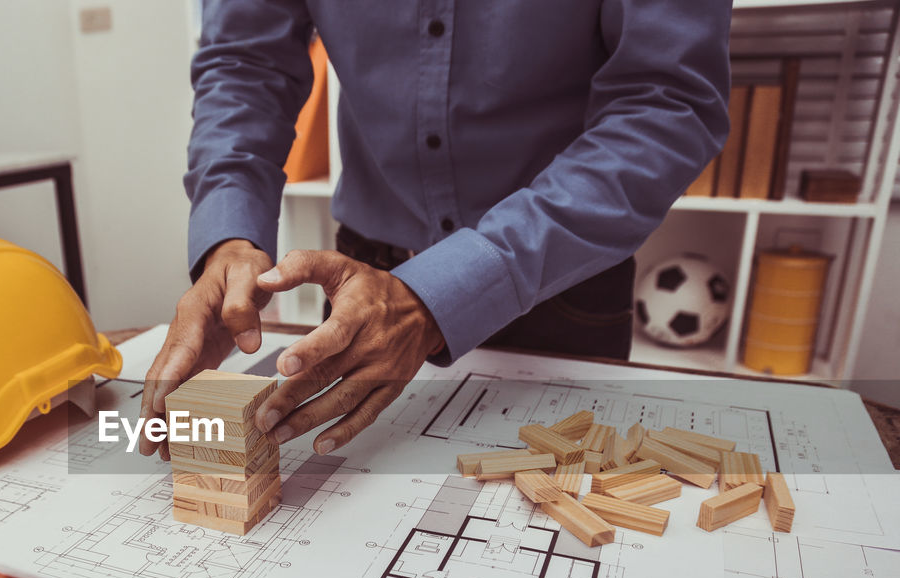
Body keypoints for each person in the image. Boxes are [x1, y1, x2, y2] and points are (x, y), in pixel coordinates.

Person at [140, 1, 730, 459]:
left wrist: (443, 290)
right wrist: (229, 235)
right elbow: (246, 64)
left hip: (560, 282)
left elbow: (667, 102)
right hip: (361, 282)